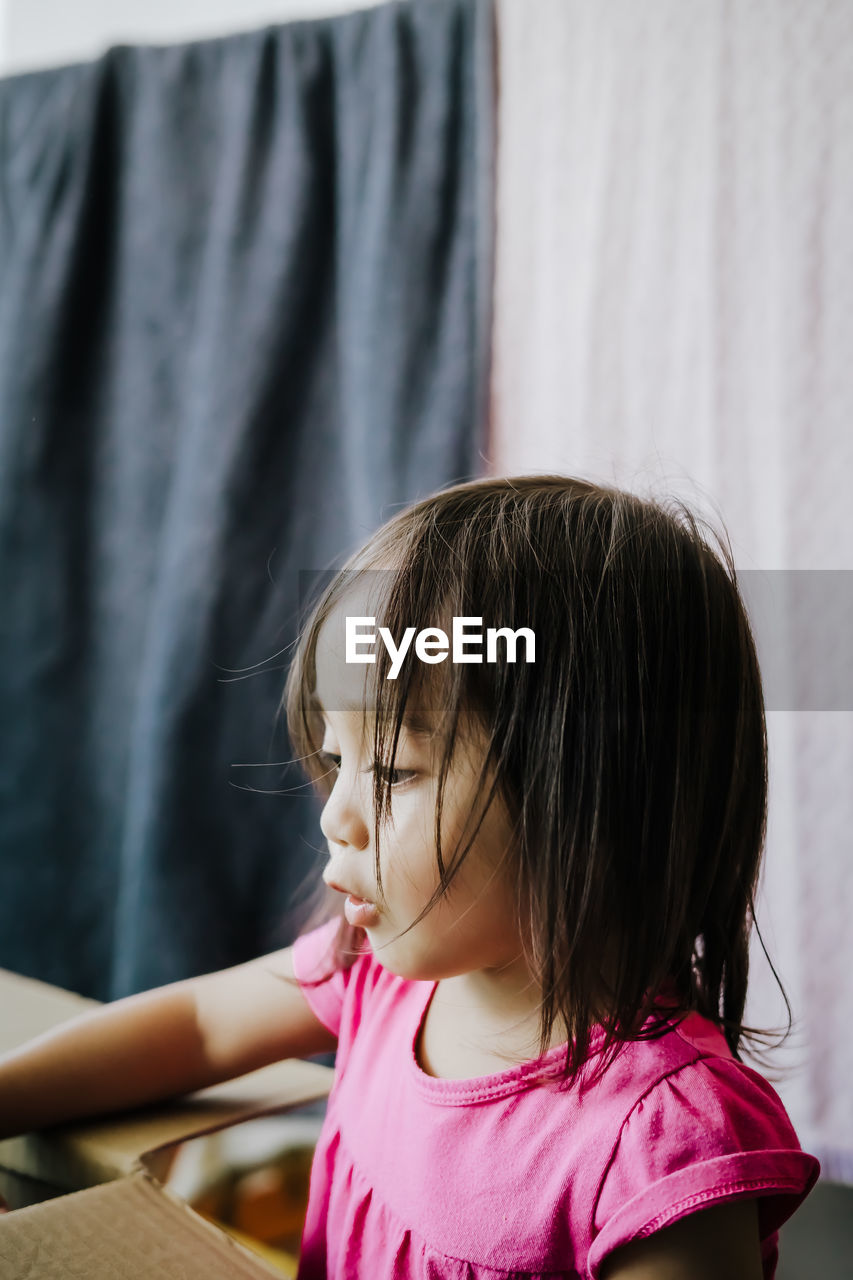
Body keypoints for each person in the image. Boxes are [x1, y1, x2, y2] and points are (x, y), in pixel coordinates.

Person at [0, 475, 819, 1278]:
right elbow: (200, 1026)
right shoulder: (375, 973)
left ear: (594, 802)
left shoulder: (662, 1146)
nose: (334, 816)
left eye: (390, 771)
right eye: (335, 760)